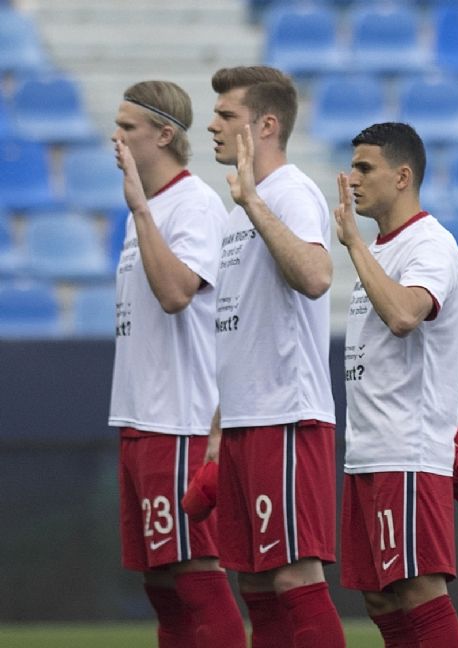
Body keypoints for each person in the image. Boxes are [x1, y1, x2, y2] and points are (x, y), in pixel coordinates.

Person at [207, 65, 344, 648]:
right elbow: (239, 326)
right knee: (257, 584)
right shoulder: (239, 210)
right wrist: (220, 424)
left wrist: (253, 203)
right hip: (246, 419)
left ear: (266, 125)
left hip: (285, 415)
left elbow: (316, 276)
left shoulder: (289, 193)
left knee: (293, 575)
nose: (212, 125)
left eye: (226, 115)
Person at [109, 80, 247, 648]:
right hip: (141, 417)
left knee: (195, 575)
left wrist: (141, 209)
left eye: (128, 127)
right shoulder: (144, 210)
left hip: (180, 419)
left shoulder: (192, 204)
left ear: (165, 134)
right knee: (162, 585)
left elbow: (175, 293)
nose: (115, 137)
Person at [334, 122, 458, 647]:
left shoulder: (429, 243)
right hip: (368, 450)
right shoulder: (381, 247)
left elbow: (404, 315)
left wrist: (353, 245)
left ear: (402, 176)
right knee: (380, 596)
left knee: (417, 588)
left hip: (407, 449)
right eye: (353, 167)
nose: (353, 179)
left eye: (365, 168)